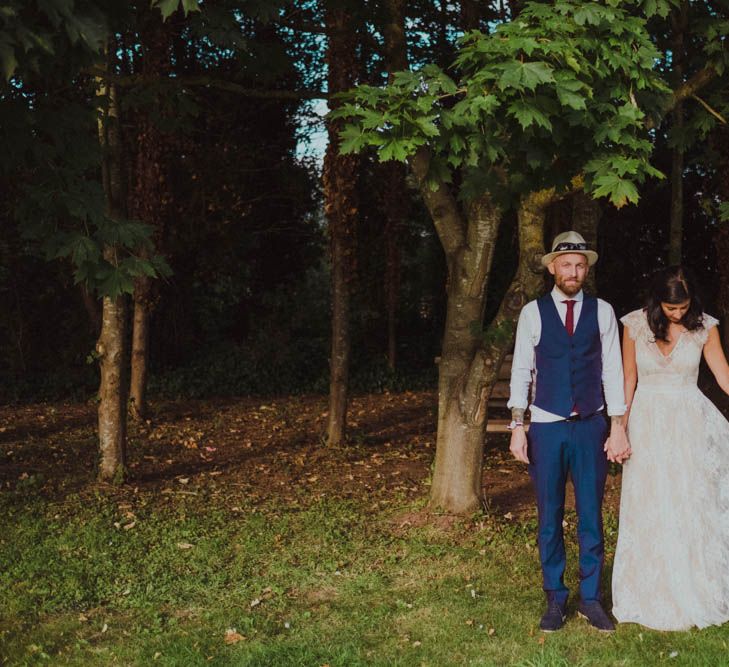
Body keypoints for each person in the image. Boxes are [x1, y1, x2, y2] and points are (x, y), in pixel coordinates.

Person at [508, 230, 631, 633]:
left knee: (591, 515)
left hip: (591, 425)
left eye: (580, 265)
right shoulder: (532, 312)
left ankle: (592, 599)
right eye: (566, 264)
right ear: (552, 268)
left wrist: (617, 426)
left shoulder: (602, 311)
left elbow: (612, 368)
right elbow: (522, 370)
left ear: (586, 269)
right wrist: (517, 426)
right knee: (549, 515)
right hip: (546, 425)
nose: (573, 271)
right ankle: (555, 598)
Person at [612, 266, 729, 631]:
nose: (677, 314)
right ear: (657, 301)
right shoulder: (634, 325)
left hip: (689, 423)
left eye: (682, 308)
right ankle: (650, 588)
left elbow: (722, 374)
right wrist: (619, 428)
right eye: (670, 308)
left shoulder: (705, 327)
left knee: (690, 501)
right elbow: (627, 379)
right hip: (647, 422)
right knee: (649, 501)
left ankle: (694, 584)